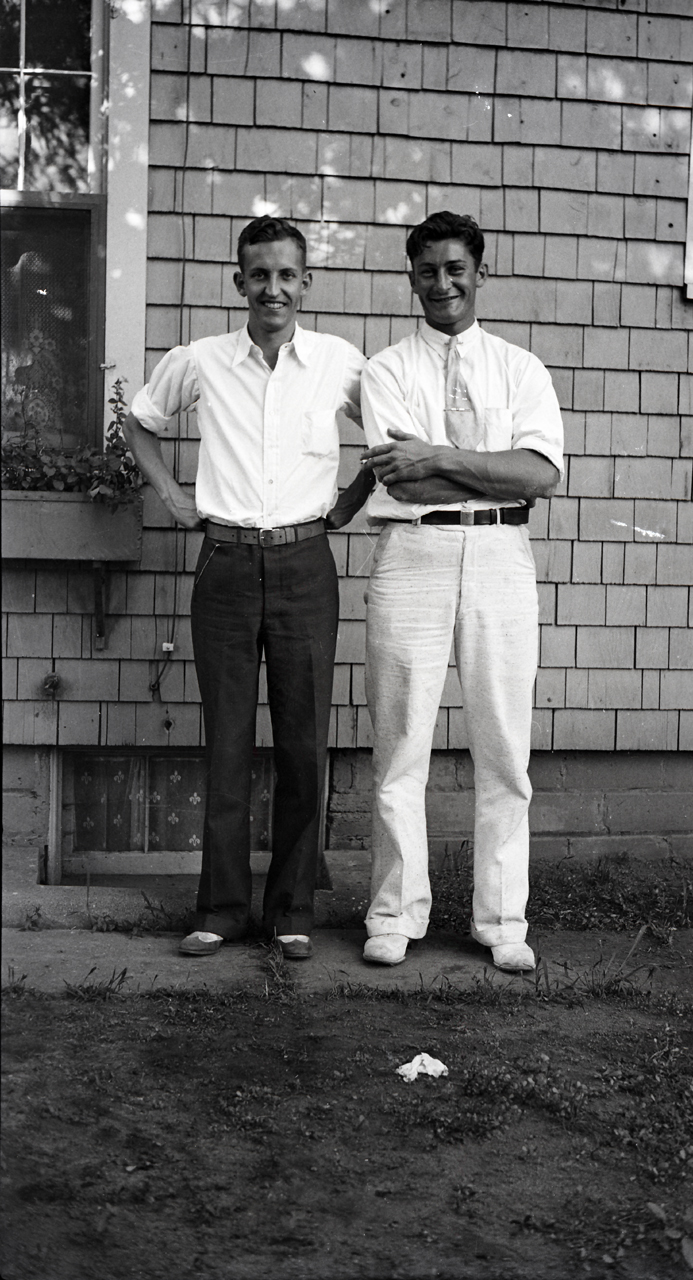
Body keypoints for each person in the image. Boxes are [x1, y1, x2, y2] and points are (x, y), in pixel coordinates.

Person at [124, 216, 372, 959]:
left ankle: (292, 909)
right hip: (226, 565)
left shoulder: (337, 362)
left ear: (305, 283)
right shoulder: (200, 360)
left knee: (302, 743)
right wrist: (171, 494)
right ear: (239, 282)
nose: (273, 288)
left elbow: (391, 434)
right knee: (227, 742)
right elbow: (139, 423)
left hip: (304, 565)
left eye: (286, 275)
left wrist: (351, 499)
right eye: (259, 275)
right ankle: (222, 908)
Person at [359, 210, 564, 972]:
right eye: (427, 271)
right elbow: (401, 481)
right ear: (410, 277)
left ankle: (501, 920)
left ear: (479, 272)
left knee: (503, 746)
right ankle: (394, 912)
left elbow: (538, 474)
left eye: (455, 268)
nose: (441, 283)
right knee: (400, 744)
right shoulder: (385, 370)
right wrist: (490, 467)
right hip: (412, 552)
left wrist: (440, 457)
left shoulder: (519, 369)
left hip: (501, 554)